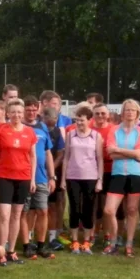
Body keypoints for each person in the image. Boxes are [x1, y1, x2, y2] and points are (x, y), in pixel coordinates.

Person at [103, 100, 140, 257]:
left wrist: (119, 151)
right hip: (118, 174)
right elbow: (111, 153)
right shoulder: (114, 130)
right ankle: (114, 242)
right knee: (109, 210)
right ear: (122, 113)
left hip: (136, 175)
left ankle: (129, 244)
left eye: (133, 110)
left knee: (131, 210)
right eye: (127, 110)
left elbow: (139, 154)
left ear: (137, 113)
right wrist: (131, 153)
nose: (129, 113)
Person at [0, 98, 36, 265]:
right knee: (4, 215)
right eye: (13, 112)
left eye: (19, 112)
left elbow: (33, 156)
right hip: (4, 176)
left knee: (17, 215)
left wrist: (32, 179)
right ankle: (0, 251)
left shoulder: (29, 132)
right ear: (8, 113)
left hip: (23, 177)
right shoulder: (0, 129)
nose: (16, 115)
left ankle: (11, 251)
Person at [61, 104, 104, 255]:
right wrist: (62, 179)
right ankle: (74, 241)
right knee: (74, 209)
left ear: (89, 120)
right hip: (73, 177)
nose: (79, 123)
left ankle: (86, 241)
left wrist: (100, 180)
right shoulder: (70, 135)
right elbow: (66, 158)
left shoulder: (96, 136)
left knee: (88, 209)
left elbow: (99, 159)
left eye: (82, 120)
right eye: (77, 120)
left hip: (90, 177)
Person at [22, 100, 56, 260]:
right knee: (24, 212)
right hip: (22, 176)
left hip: (41, 177)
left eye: (34, 110)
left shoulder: (42, 127)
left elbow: (48, 153)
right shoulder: (18, 126)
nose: (31, 112)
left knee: (43, 211)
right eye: (28, 109)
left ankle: (41, 245)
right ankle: (27, 245)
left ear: (38, 110)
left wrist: (52, 176)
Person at [40, 104, 67, 251]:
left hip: (51, 174)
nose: (54, 121)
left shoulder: (57, 132)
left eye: (56, 118)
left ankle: (52, 237)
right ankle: (35, 238)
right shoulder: (37, 129)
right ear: (43, 117)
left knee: (52, 207)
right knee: (35, 209)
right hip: (37, 174)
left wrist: (51, 169)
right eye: (51, 117)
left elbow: (61, 153)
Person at [90, 103, 115, 245]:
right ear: (93, 115)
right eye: (97, 113)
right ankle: (92, 234)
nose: (100, 116)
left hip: (110, 171)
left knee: (107, 206)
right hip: (92, 171)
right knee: (93, 205)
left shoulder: (113, 130)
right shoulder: (89, 129)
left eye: (103, 113)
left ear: (108, 115)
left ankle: (107, 234)